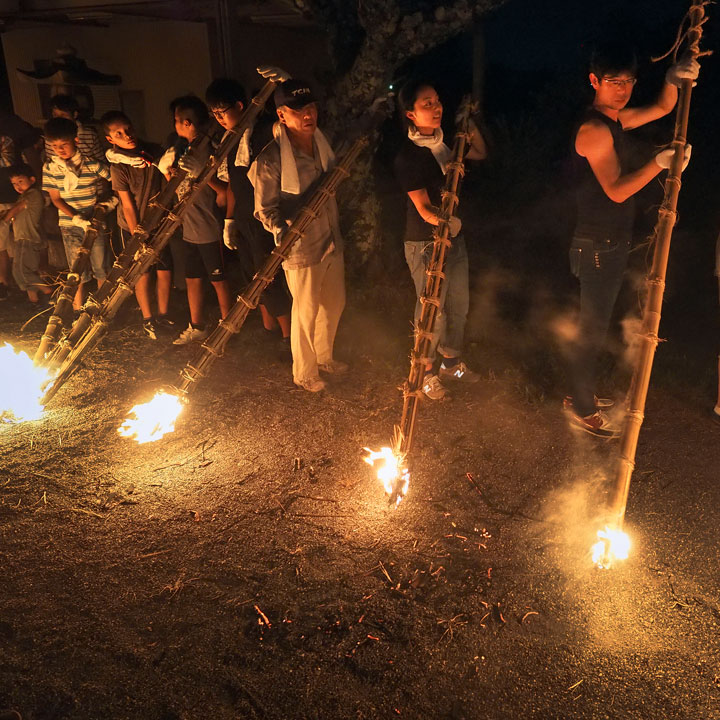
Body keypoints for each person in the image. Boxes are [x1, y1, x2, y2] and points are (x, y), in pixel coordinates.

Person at [565, 44, 697, 438]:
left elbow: (662, 108)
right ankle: (581, 407)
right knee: (591, 330)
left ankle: (580, 395)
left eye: (628, 82)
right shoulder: (593, 130)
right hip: (596, 246)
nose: (623, 90)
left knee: (594, 326)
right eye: (614, 82)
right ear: (594, 81)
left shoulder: (614, 120)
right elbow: (617, 191)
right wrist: (658, 164)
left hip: (608, 242)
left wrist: (673, 79)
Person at [252, 77, 347, 393]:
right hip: (301, 247)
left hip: (330, 237)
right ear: (282, 115)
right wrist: (283, 229)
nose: (308, 115)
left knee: (334, 303)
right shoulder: (271, 158)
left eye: (311, 108)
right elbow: (264, 209)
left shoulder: (322, 142)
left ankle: (324, 357)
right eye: (298, 110)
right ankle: (304, 372)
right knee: (305, 310)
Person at [394, 79, 487, 400]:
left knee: (459, 303)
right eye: (427, 104)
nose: (436, 108)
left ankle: (451, 363)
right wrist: (447, 221)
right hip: (425, 243)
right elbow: (423, 209)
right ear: (411, 114)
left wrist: (467, 124)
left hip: (454, 238)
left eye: (437, 101)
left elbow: (479, 152)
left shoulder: (447, 143)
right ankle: (425, 373)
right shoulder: (408, 156)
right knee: (433, 309)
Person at [205, 77, 292, 346]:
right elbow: (234, 184)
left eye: (222, 112)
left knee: (270, 276)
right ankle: (269, 330)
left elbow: (288, 129)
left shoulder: (263, 131)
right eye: (214, 114)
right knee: (252, 274)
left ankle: (288, 336)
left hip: (265, 218)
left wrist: (286, 88)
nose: (219, 119)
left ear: (240, 106)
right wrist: (229, 221)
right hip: (244, 218)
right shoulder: (231, 141)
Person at [101, 110, 174, 340]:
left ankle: (163, 314)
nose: (127, 135)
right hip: (133, 225)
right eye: (119, 134)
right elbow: (127, 204)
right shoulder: (118, 166)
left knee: (164, 267)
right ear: (110, 139)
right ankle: (148, 318)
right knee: (141, 271)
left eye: (128, 129)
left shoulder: (152, 151)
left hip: (160, 220)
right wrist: (137, 236)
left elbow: (168, 177)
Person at [165, 95, 232, 345]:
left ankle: (227, 327)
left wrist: (201, 175)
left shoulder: (211, 148)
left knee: (218, 279)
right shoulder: (186, 148)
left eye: (176, 120)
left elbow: (225, 190)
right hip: (189, 226)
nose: (174, 125)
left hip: (209, 226)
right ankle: (197, 326)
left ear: (187, 123)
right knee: (192, 277)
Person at [42, 116, 113, 311]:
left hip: (95, 221)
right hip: (69, 224)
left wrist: (109, 200)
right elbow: (56, 198)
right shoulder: (50, 168)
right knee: (76, 270)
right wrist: (75, 217)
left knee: (101, 266)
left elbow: (114, 178)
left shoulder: (90, 164)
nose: (60, 150)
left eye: (64, 144)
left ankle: (101, 308)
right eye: (55, 146)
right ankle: (76, 310)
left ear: (76, 140)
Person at [2, 163, 53, 304]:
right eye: (14, 183)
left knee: (23, 271)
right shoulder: (24, 195)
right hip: (22, 238)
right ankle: (34, 300)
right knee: (22, 270)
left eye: (20, 181)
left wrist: (4, 222)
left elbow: (17, 209)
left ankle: (49, 292)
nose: (17, 186)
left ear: (32, 180)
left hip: (28, 238)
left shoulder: (33, 193)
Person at [46, 94, 104, 163]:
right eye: (55, 115)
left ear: (75, 114)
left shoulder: (90, 135)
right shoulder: (51, 137)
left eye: (63, 115)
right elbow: (51, 162)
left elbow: (101, 161)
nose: (59, 119)